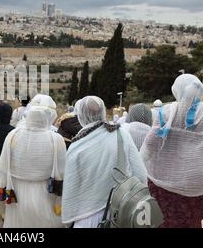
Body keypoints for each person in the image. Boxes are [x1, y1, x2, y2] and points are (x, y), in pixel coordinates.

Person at [141, 74, 203, 228]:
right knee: (191, 222)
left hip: (164, 185)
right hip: (198, 186)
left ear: (177, 90)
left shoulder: (166, 112)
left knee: (164, 220)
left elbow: (150, 145)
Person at [61, 96, 147, 228]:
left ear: (81, 115)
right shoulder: (121, 134)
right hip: (121, 213)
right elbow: (140, 174)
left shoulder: (76, 146)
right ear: (102, 112)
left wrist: (68, 221)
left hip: (86, 217)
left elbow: (71, 188)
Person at [0, 95, 66, 228]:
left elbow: (2, 169)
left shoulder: (13, 135)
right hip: (45, 195)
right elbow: (62, 174)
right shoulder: (56, 140)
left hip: (16, 195)